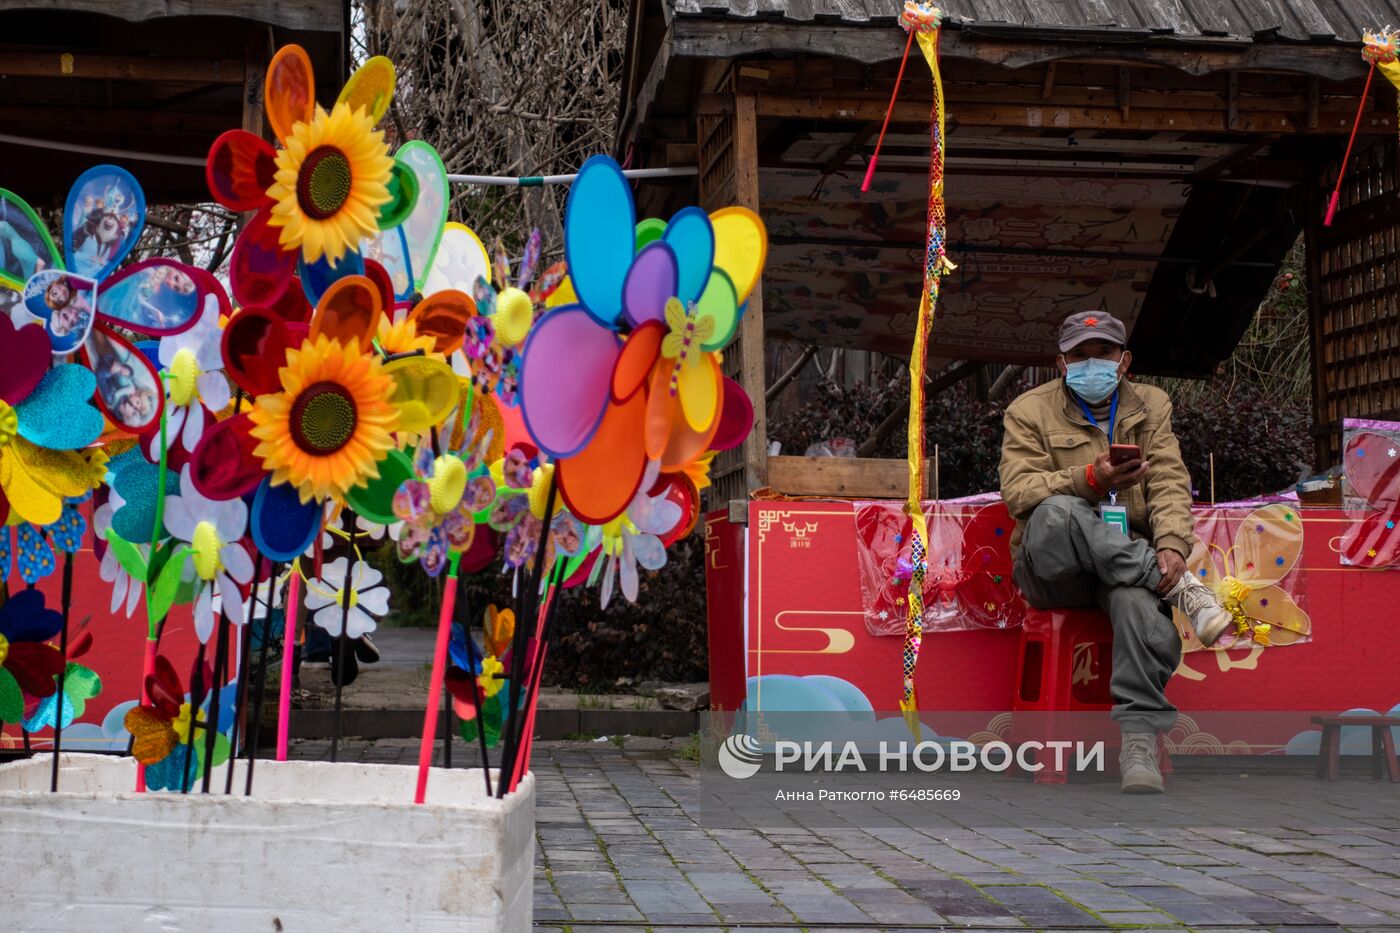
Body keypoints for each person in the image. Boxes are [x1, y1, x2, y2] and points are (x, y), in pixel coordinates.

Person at [998, 310, 1231, 795]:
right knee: (1057, 510)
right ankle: (1181, 588)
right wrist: (1091, 479)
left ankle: (1139, 743)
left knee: (1137, 605)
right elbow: (1019, 493)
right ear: (1061, 363)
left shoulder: (1152, 405)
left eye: (1102, 353)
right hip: (1052, 569)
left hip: (1118, 571)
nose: (1091, 363)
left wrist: (1169, 545)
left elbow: (1169, 482)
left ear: (1123, 361)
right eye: (1079, 355)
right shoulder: (1028, 410)